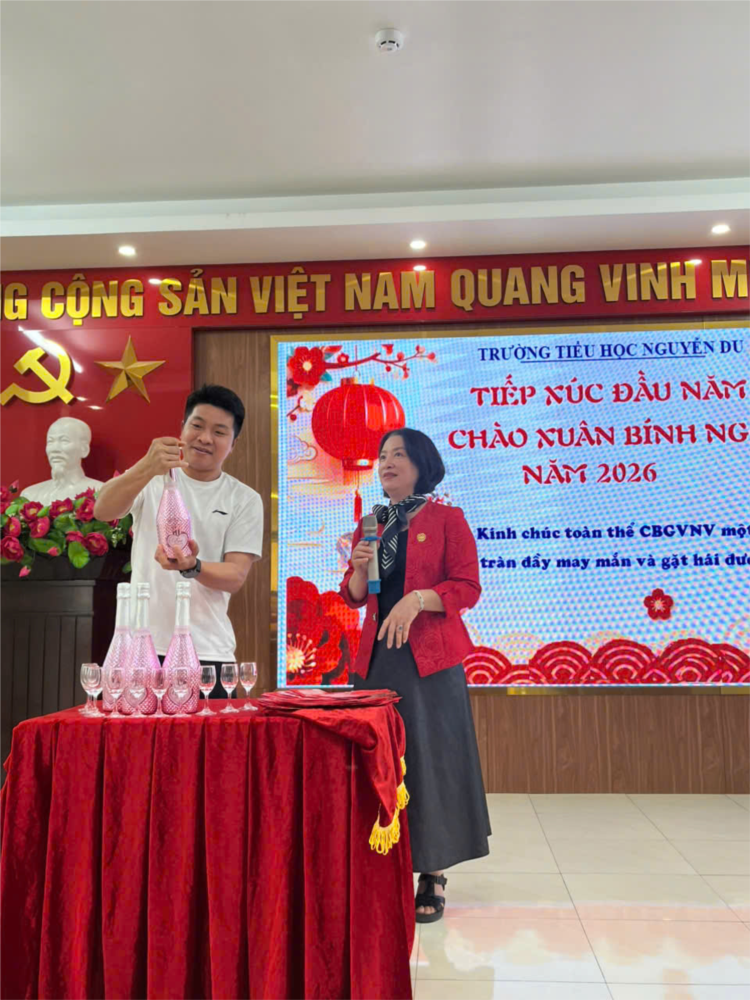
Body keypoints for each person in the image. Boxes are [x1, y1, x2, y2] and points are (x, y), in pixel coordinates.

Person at [340, 428, 490, 923]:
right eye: (382, 455)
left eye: (399, 454)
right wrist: (357, 569)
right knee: (375, 760)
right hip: (376, 661)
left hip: (429, 662)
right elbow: (356, 596)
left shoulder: (448, 519)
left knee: (427, 760)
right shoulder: (370, 523)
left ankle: (433, 871)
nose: (387, 462)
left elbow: (467, 586)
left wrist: (417, 600)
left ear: (423, 464)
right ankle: (377, 861)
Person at [94, 384, 263, 696]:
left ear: (233, 444)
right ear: (182, 428)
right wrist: (146, 466)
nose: (205, 438)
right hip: (141, 647)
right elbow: (103, 509)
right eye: (197, 425)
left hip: (207, 651)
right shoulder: (150, 478)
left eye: (219, 432)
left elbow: (235, 575)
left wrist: (192, 566)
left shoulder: (244, 499)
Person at [23, 416, 103, 504]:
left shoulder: (101, 492)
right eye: (50, 441)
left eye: (64, 441)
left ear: (84, 449)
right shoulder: (30, 495)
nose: (54, 449)